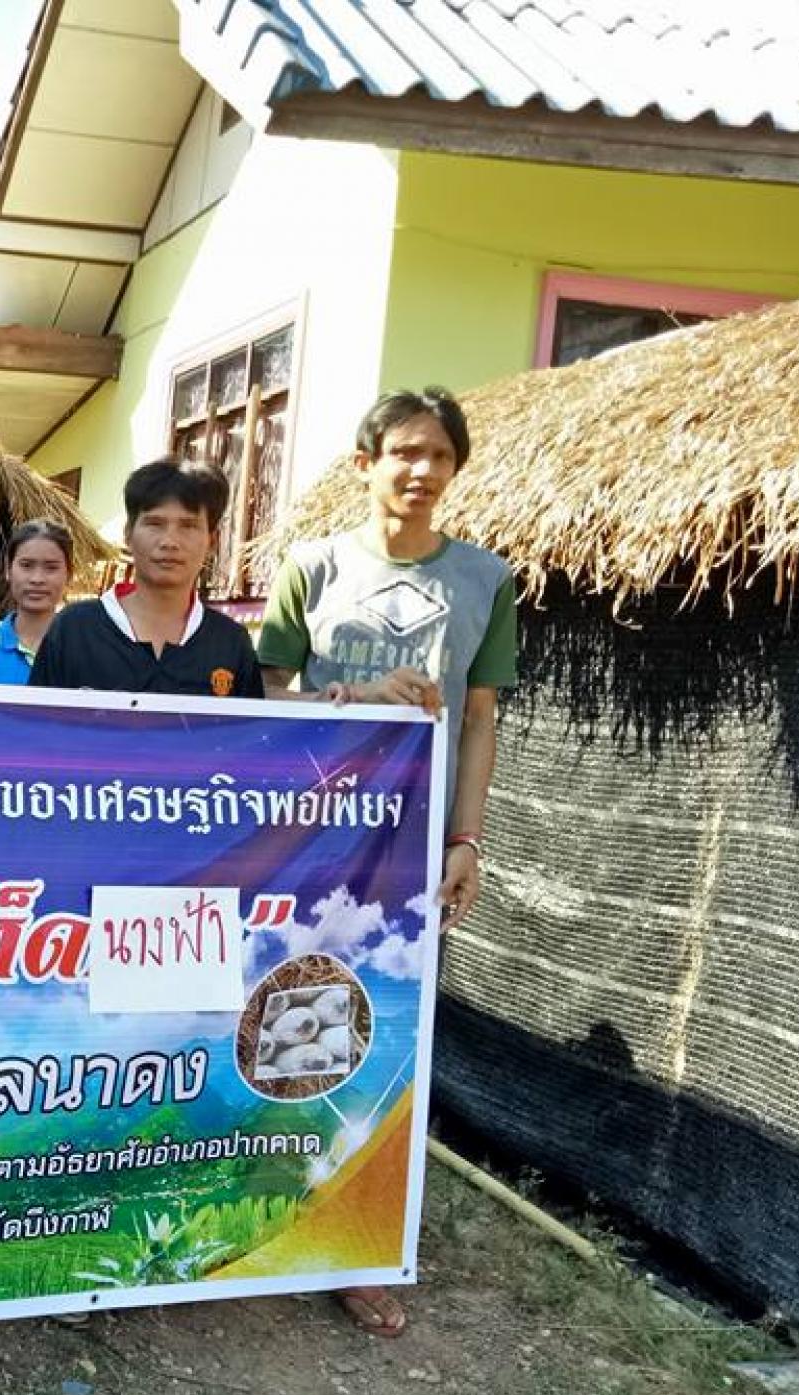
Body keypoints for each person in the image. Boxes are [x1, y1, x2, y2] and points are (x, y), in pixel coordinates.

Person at [257, 385, 517, 1340]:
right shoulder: (312, 567)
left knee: (384, 1033)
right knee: (284, 1012)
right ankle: (260, 1205)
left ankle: (356, 1245)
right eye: (405, 452)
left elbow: (480, 720)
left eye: (439, 456)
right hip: (310, 840)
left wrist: (466, 840)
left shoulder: (486, 580)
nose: (422, 470)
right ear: (366, 464)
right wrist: (360, 693)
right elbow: (264, 696)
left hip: (409, 852)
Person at [29, 460, 262, 699]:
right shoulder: (74, 630)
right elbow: (35, 720)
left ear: (212, 541)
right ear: (128, 534)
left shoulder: (231, 643)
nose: (169, 542)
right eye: (155, 524)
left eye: (188, 526)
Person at [0, 520, 73, 684]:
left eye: (51, 568)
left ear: (69, 574)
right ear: (8, 569)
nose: (37, 579)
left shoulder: (84, 651)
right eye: (26, 565)